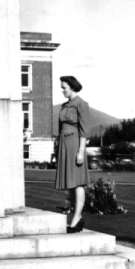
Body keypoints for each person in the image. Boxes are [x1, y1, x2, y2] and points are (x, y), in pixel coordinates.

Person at [55, 75, 90, 233]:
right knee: (70, 183)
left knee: (78, 183)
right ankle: (77, 218)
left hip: (76, 145)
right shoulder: (64, 106)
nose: (62, 90)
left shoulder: (81, 104)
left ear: (72, 87)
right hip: (64, 145)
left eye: (64, 87)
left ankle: (77, 218)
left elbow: (84, 131)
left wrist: (81, 151)